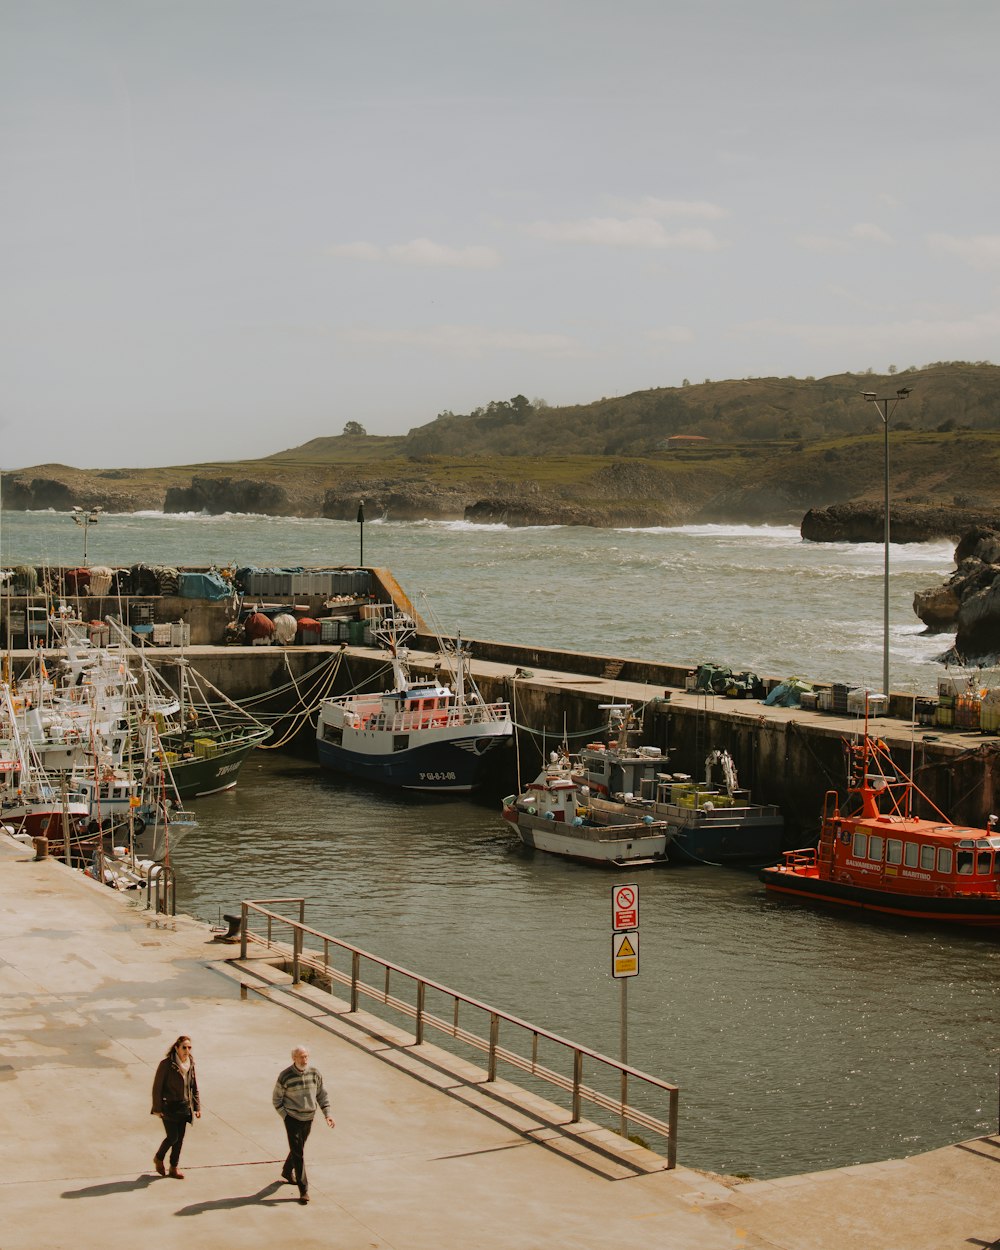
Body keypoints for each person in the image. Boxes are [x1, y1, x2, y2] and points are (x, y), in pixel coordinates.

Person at [272, 1045, 334, 1204]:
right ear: (294, 1058)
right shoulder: (285, 1076)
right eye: (301, 1057)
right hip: (292, 1118)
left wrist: (327, 1114)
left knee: (298, 1148)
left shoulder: (314, 1073)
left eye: (306, 1056)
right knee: (298, 1153)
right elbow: (276, 1099)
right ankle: (304, 1189)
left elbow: (321, 1094)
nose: (304, 1060)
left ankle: (287, 1171)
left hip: (308, 1118)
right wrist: (285, 1116)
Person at [151, 1035, 201, 1179]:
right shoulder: (166, 1064)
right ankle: (159, 1157)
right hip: (169, 1106)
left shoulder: (190, 1063)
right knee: (172, 1137)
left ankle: (174, 1167)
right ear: (176, 1048)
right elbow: (157, 1088)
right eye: (184, 1047)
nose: (187, 1050)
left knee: (179, 1140)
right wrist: (157, 1108)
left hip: (184, 1106)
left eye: (189, 1047)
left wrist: (197, 1106)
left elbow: (193, 1085)